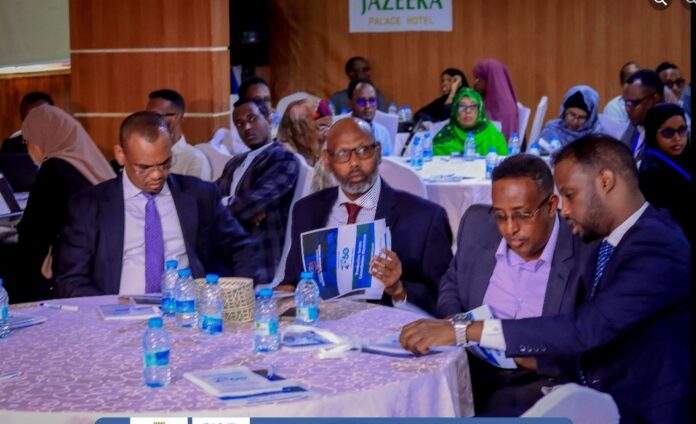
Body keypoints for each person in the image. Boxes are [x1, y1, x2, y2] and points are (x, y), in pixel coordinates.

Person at [401, 134, 690, 423]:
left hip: (641, 410)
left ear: (605, 181)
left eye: (570, 195)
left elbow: (586, 328)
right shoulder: (614, 239)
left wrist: (465, 330)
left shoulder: (658, 247)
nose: (565, 209)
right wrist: (525, 355)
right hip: (591, 394)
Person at [436, 154, 596, 415]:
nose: (510, 228)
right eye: (501, 215)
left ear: (551, 205)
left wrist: (532, 358)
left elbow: (589, 340)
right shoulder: (477, 225)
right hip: (469, 364)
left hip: (539, 380)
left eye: (522, 215)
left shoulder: (584, 249)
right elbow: (452, 284)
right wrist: (461, 327)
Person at [54, 111, 258, 297]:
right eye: (144, 167)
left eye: (165, 163)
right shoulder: (90, 205)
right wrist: (109, 309)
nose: (157, 175)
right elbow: (70, 279)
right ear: (120, 155)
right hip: (117, 314)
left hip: (187, 311)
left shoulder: (199, 195)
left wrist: (234, 297)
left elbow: (242, 249)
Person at [277, 117, 453, 315]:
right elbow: (293, 280)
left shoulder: (424, 218)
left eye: (363, 150)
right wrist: (281, 295)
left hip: (386, 328)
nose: (354, 162)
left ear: (378, 153)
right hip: (317, 325)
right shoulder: (306, 210)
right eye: (342, 153)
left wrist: (399, 290)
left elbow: (447, 301)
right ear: (327, 160)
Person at [15, 104, 115, 301]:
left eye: (28, 141)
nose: (28, 149)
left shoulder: (53, 169)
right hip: (102, 265)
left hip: (68, 270)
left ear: (44, 137)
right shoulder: (91, 162)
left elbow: (33, 231)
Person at [216, 98, 299, 285]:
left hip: (258, 255)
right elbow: (209, 196)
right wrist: (235, 205)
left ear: (268, 120)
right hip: (224, 251)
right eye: (239, 123)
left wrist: (226, 206)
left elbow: (254, 203)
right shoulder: (235, 162)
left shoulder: (282, 158)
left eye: (252, 119)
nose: (246, 127)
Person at [639, 104, 694, 243]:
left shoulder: (685, 158)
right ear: (653, 133)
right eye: (668, 133)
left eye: (682, 130)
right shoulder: (652, 173)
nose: (677, 138)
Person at [146, 89, 213, 180]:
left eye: (155, 116)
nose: (148, 121)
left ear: (176, 118)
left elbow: (195, 189)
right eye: (146, 116)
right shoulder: (142, 154)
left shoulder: (194, 159)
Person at [277, 98, 336, 192]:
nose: (327, 134)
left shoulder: (324, 152)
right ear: (300, 132)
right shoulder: (286, 159)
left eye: (329, 127)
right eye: (321, 128)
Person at [432, 87, 508, 156]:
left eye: (473, 106)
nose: (468, 111)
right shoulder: (445, 137)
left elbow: (504, 162)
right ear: (455, 111)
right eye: (462, 107)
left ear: (480, 110)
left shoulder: (493, 136)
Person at [619, 69, 664, 163]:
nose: (627, 108)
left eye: (633, 103)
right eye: (626, 102)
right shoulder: (634, 125)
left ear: (655, 100)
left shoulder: (668, 133)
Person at [472, 59, 519, 139]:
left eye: (478, 79)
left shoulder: (505, 109)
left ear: (489, 79)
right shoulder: (490, 99)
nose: (476, 83)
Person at [348, 79, 393, 156]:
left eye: (372, 101)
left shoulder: (383, 132)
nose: (368, 106)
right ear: (350, 104)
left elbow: (388, 161)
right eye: (361, 101)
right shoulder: (341, 133)